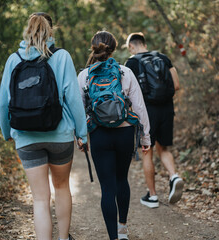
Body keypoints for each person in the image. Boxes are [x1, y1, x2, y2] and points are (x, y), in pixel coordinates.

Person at [0, 12, 87, 240]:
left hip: (26, 137)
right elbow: (73, 98)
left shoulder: (13, 59)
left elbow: (3, 103)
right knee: (61, 188)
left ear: (27, 30)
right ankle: (63, 238)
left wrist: (7, 132)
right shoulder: (62, 56)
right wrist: (82, 133)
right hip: (60, 135)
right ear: (50, 31)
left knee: (39, 198)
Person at [78, 31, 151, 240]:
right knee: (121, 180)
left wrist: (81, 137)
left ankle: (113, 237)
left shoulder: (84, 75)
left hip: (99, 134)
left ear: (93, 47)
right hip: (125, 132)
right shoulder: (125, 72)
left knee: (107, 188)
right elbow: (139, 107)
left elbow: (78, 109)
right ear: (114, 48)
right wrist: (146, 137)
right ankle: (123, 230)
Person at [124, 32, 184, 208]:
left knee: (147, 151)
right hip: (166, 108)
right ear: (144, 43)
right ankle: (174, 176)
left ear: (131, 47)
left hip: (146, 111)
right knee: (163, 148)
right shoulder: (162, 57)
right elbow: (177, 85)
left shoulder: (132, 62)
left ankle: (153, 196)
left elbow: (127, 93)